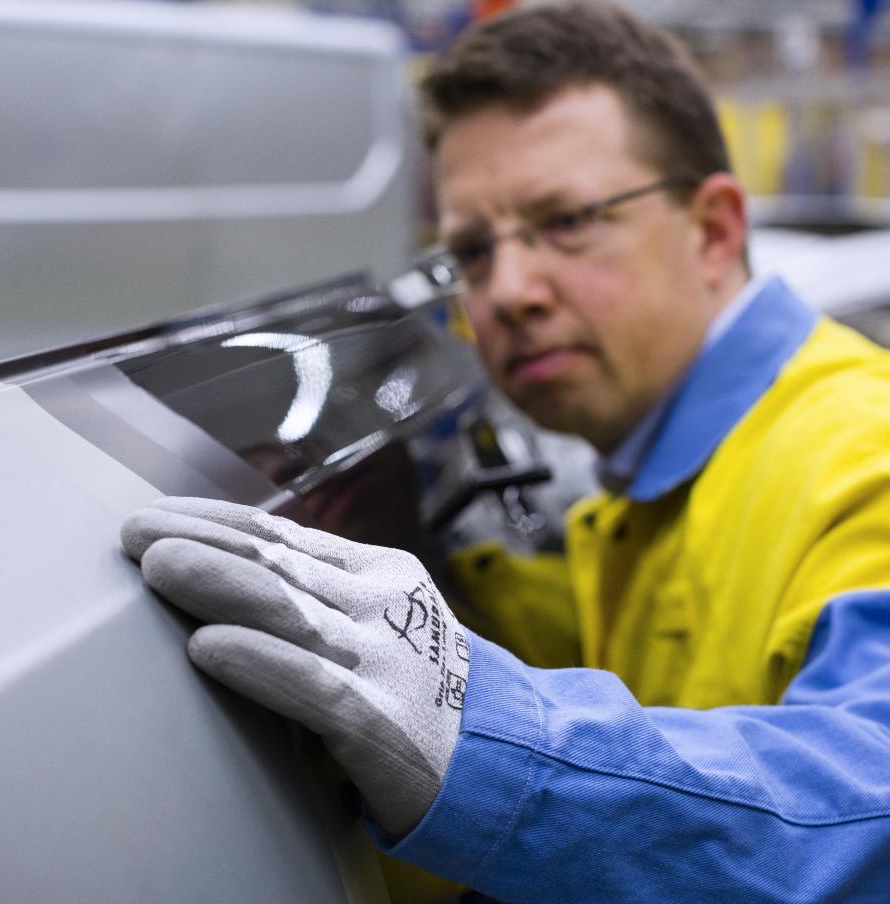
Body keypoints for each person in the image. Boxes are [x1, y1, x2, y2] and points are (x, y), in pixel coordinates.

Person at [120, 3, 890, 901]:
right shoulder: (663, 468)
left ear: (715, 231)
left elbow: (865, 802)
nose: (511, 290)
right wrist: (435, 576)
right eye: (474, 252)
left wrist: (468, 719)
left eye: (567, 220)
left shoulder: (858, 455)